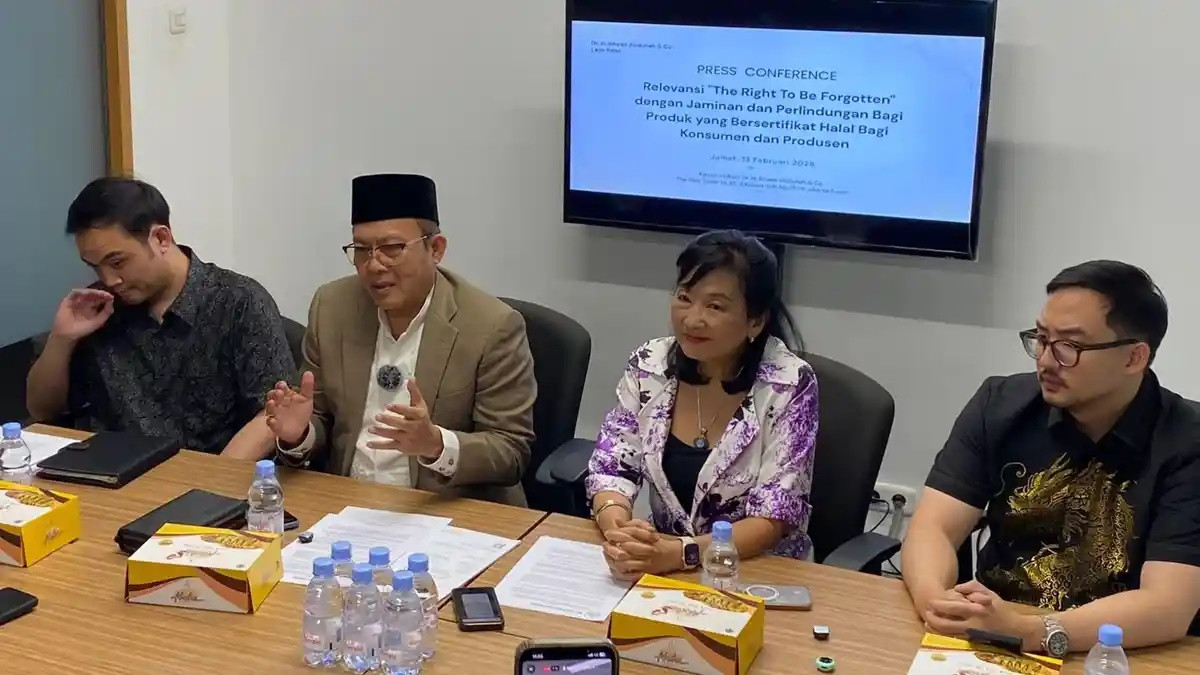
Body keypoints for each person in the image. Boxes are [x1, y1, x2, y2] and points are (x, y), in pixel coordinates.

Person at [901, 260, 1200, 655]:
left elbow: (1168, 606)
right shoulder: (999, 405)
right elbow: (933, 528)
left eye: (1069, 346)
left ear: (1134, 358)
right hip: (990, 636)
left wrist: (1027, 631)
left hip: (1121, 651)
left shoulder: (1187, 441)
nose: (1045, 361)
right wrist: (937, 603)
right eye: (1041, 339)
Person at [263, 173, 536, 506]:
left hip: (445, 508)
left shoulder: (492, 325)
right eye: (361, 250)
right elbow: (321, 420)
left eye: (392, 249)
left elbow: (511, 451)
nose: (374, 265)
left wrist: (436, 445)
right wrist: (299, 435)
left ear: (436, 249)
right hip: (348, 504)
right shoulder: (332, 307)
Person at [586, 230, 818, 580]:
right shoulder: (650, 364)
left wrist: (681, 554)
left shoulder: (788, 384)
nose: (692, 319)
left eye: (715, 306)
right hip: (660, 565)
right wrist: (619, 530)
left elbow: (774, 517)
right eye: (684, 297)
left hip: (756, 572)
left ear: (756, 320)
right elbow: (612, 468)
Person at [26, 177, 296, 455]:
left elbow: (272, 415)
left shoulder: (238, 301)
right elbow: (43, 410)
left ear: (161, 238)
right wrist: (61, 340)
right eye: (95, 267)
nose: (109, 280)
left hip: (212, 470)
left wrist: (212, 477)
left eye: (117, 262)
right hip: (112, 469)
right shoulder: (99, 307)